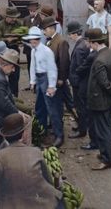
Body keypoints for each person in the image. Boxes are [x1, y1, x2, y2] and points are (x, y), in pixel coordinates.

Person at [0, 113, 63, 209]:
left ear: (5, 136)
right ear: (23, 134)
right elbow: (48, 180)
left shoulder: (0, 156)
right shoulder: (36, 152)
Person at [86, 28, 111, 170]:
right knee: (105, 128)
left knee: (103, 131)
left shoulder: (99, 60)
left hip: (99, 102)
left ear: (95, 42)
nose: (89, 46)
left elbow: (104, 82)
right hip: (107, 101)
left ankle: (106, 159)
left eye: (90, 43)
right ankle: (104, 155)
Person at [24, 26, 58, 147]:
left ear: (38, 39)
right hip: (39, 79)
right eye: (30, 41)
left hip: (47, 79)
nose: (32, 43)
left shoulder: (47, 51)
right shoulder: (33, 51)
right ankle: (42, 130)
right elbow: (32, 66)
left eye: (33, 40)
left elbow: (52, 69)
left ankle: (58, 134)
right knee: (40, 106)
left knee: (52, 108)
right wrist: (32, 81)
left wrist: (52, 86)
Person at [42, 16, 72, 148]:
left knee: (55, 108)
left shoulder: (61, 41)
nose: (43, 32)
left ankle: (59, 136)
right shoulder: (51, 41)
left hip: (56, 81)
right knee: (54, 108)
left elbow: (65, 62)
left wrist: (61, 79)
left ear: (50, 29)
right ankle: (55, 129)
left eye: (44, 30)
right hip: (50, 79)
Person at [76, 29, 100, 150]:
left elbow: (81, 69)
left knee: (90, 116)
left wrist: (76, 72)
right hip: (91, 87)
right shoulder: (97, 53)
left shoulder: (92, 55)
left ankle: (93, 143)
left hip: (88, 87)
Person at [66, 21, 89, 139]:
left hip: (78, 83)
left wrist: (73, 78)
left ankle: (82, 130)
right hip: (81, 82)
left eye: (70, 34)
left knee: (80, 107)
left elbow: (80, 68)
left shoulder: (80, 48)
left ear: (75, 33)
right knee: (81, 106)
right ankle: (82, 126)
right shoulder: (83, 43)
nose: (69, 36)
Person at [0, 7, 23, 97]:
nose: (14, 19)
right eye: (12, 17)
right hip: (4, 52)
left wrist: (20, 41)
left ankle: (15, 96)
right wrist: (7, 40)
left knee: (15, 75)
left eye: (15, 17)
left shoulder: (19, 23)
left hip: (15, 51)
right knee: (3, 74)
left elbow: (23, 35)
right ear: (6, 16)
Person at [22, 0, 42, 79]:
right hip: (28, 47)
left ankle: (37, 83)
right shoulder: (25, 19)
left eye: (34, 11)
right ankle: (31, 82)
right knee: (30, 64)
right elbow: (23, 32)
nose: (32, 13)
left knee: (37, 64)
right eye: (30, 11)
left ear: (37, 10)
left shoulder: (40, 19)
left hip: (37, 46)